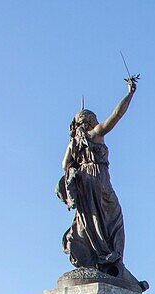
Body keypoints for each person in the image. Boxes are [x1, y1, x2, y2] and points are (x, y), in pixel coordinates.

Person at [57, 78, 136, 275]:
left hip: (83, 181)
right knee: (114, 216)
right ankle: (111, 258)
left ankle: (98, 258)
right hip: (98, 178)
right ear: (91, 121)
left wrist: (74, 171)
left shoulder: (73, 144)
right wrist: (130, 93)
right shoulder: (95, 134)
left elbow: (64, 164)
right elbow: (116, 115)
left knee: (89, 219)